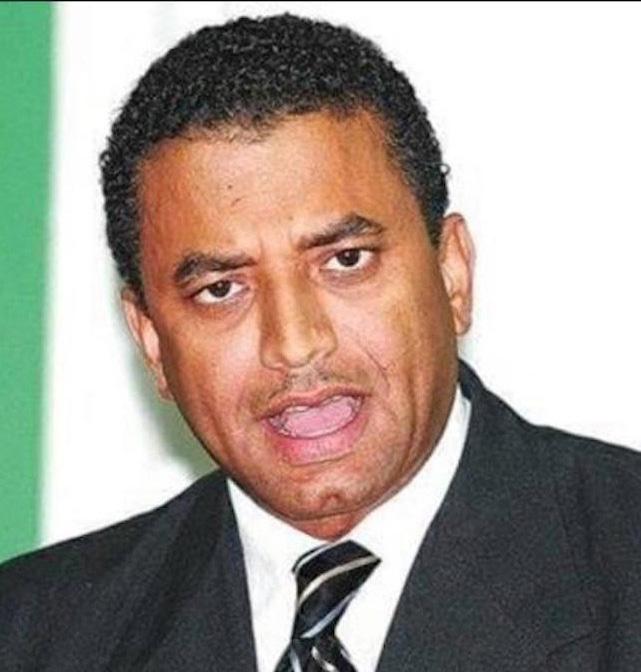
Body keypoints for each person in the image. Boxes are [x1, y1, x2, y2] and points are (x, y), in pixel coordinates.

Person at [1, 13, 640, 671]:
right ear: (152, 342)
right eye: (221, 289)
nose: (295, 343)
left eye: (346, 260)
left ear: (452, 273)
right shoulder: (32, 637)